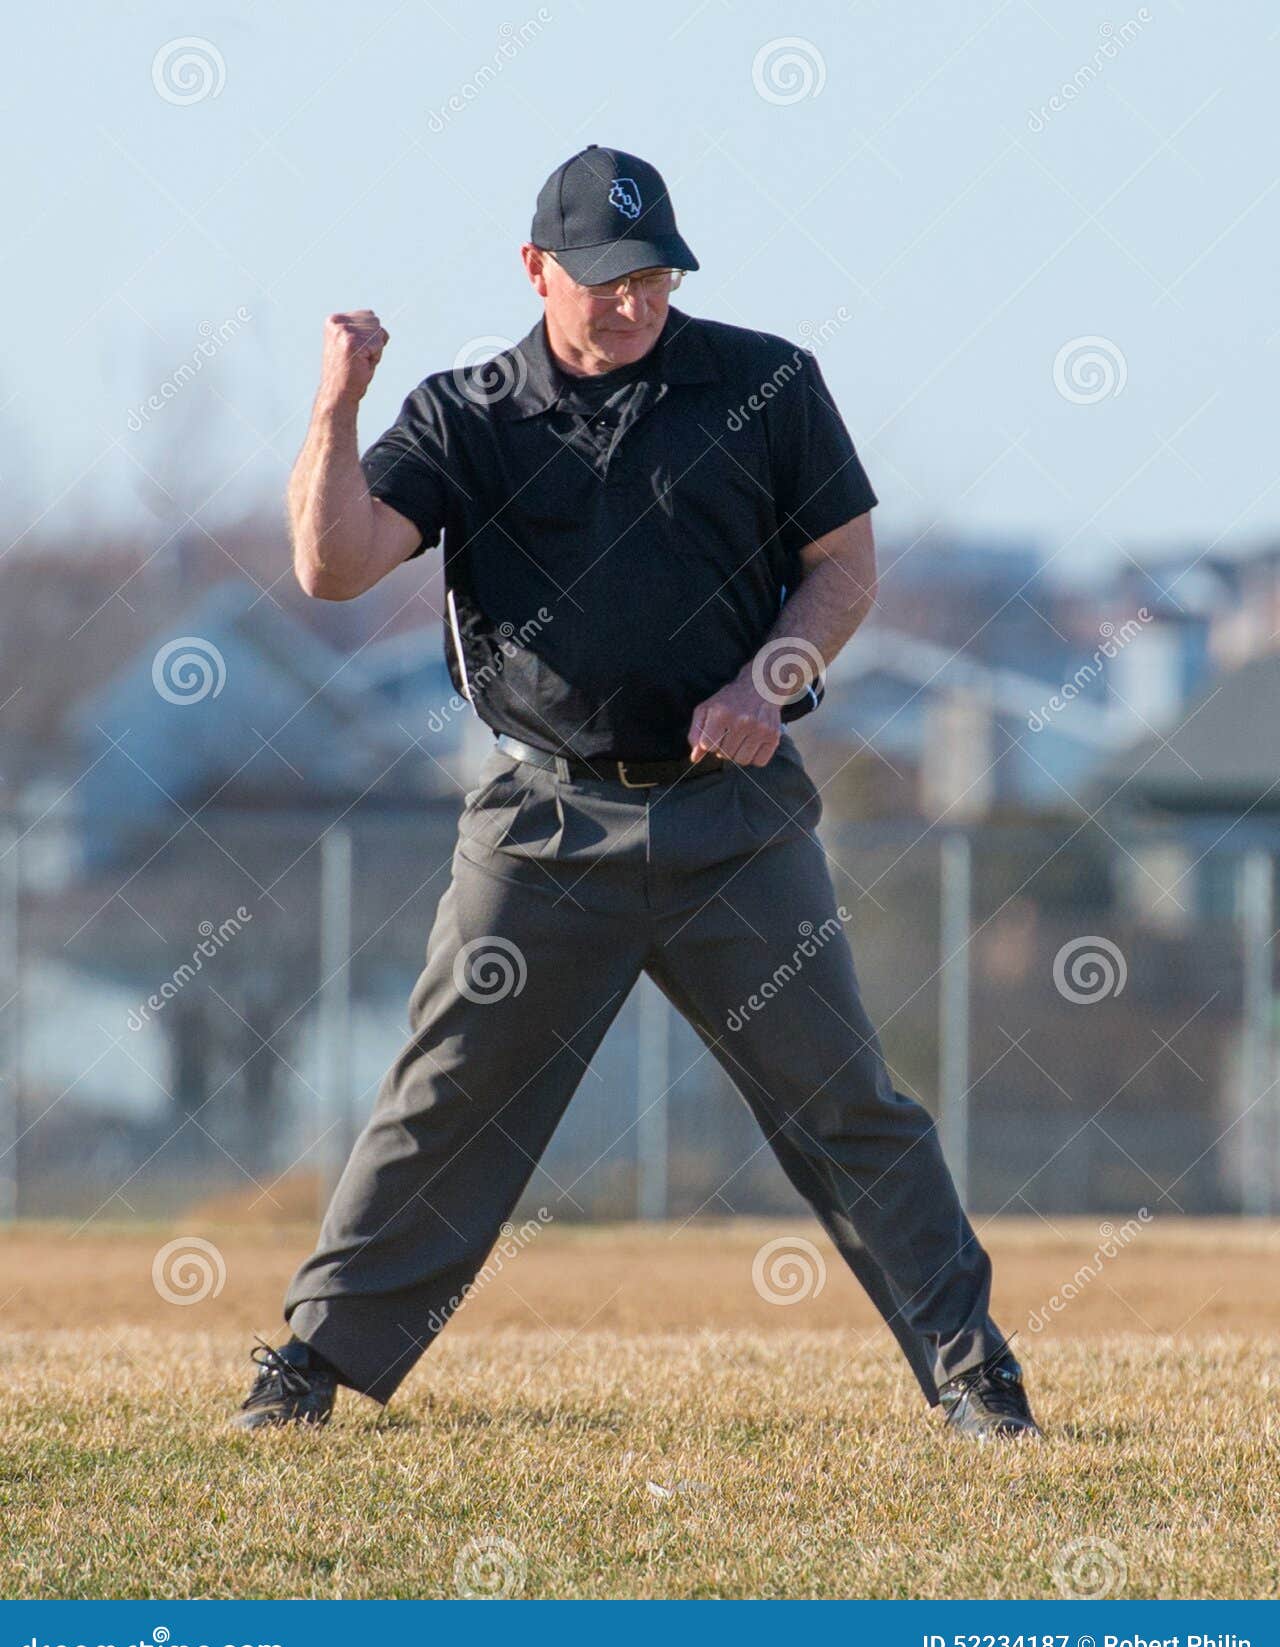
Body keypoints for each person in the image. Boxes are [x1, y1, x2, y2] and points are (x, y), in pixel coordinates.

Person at [238, 145, 1041, 1442]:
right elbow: (332, 566)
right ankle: (311, 1363)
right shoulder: (466, 413)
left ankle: (974, 1374)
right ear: (535, 269)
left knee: (846, 1101)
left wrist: (768, 681)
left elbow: (843, 570)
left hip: (735, 815)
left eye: (655, 275)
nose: (633, 302)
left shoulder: (764, 382)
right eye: (606, 279)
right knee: (445, 1094)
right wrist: (337, 402)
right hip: (544, 822)